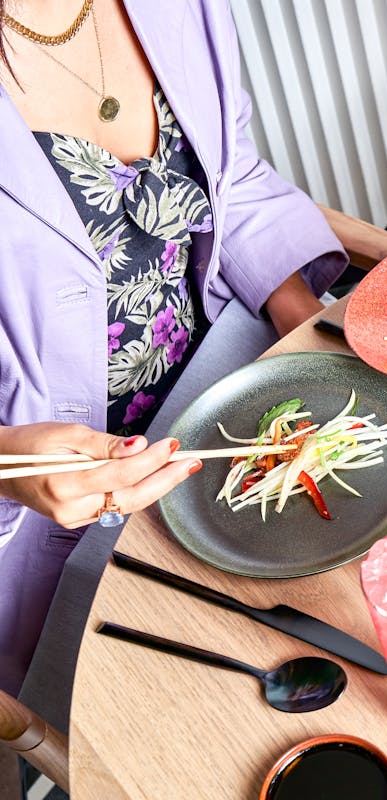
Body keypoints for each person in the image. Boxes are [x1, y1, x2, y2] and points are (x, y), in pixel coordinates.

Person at [0, 0, 347, 695]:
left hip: (239, 393)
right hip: (60, 522)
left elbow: (231, 182)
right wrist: (11, 466)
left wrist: (308, 331)